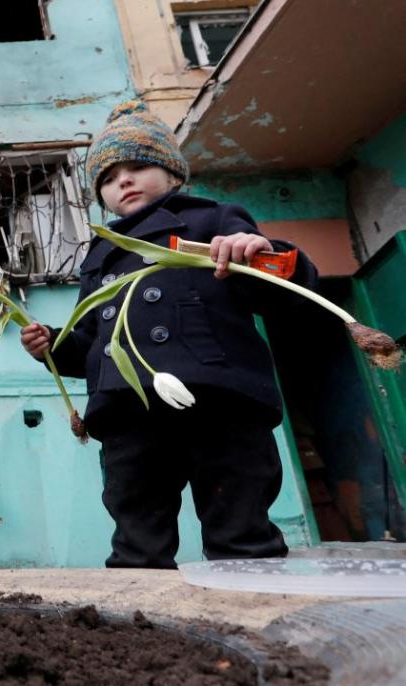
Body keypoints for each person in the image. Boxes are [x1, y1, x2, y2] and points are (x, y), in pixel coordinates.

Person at [19, 100, 319, 569]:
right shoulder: (100, 254)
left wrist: (257, 251)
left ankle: (259, 616)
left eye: (138, 166)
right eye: (108, 177)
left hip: (220, 403)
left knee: (240, 525)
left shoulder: (215, 220)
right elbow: (93, 343)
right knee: (137, 532)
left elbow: (282, 291)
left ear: (173, 173)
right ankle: (141, 623)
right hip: (129, 414)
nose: (124, 181)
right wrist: (51, 346)